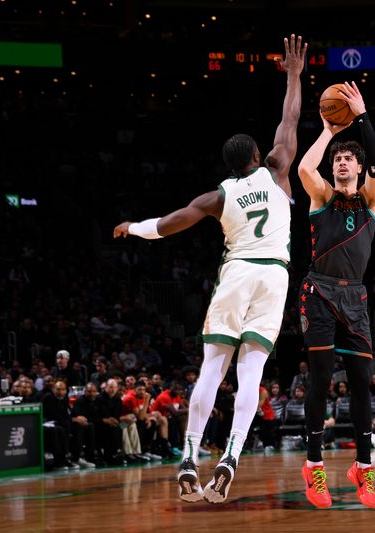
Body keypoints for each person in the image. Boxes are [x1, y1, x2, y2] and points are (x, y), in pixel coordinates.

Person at [113, 34, 307, 504]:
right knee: (251, 373)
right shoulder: (279, 168)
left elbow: (166, 225)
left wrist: (131, 227)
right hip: (275, 275)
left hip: (237, 273)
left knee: (211, 370)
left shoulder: (216, 197)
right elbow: (290, 118)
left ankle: (188, 459)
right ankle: (233, 456)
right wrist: (295, 76)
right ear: (258, 158)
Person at [297, 80, 375, 509]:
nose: (342, 162)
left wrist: (362, 115)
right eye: (338, 160)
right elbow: (302, 169)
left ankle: (363, 470)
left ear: (360, 168)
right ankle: (314, 465)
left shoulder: (371, 199)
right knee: (319, 378)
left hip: (356, 300)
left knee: (361, 387)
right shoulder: (322, 197)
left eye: (349, 158)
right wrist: (329, 133)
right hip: (319, 293)